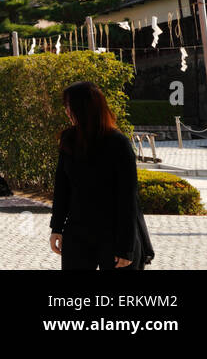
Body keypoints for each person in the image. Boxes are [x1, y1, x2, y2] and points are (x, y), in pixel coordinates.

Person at [50, 80, 151, 270]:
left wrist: (126, 247)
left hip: (114, 233)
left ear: (83, 108)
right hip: (78, 230)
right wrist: (56, 227)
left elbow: (128, 197)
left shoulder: (118, 143)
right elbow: (62, 187)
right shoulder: (69, 139)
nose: (67, 111)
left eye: (69, 106)